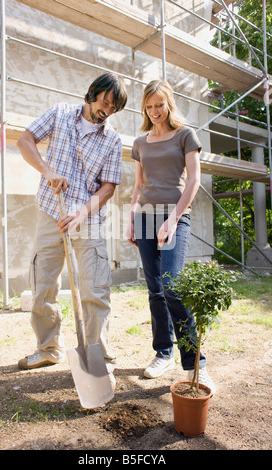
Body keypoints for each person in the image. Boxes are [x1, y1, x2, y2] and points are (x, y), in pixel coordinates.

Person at [17, 72, 127, 390]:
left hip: (87, 221)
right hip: (52, 214)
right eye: (104, 101)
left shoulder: (112, 140)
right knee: (41, 286)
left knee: (95, 291)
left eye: (113, 106)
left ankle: (99, 361)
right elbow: (25, 141)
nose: (106, 109)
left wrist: (81, 212)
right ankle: (48, 349)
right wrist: (49, 172)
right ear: (91, 93)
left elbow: (108, 188)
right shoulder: (60, 114)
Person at [126, 79, 216, 393]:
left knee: (172, 285)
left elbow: (194, 180)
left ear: (169, 103)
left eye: (159, 105)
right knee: (154, 290)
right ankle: (162, 352)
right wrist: (131, 219)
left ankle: (195, 364)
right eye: (149, 107)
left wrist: (174, 218)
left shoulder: (185, 135)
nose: (154, 112)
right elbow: (139, 185)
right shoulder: (140, 142)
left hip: (175, 216)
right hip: (145, 217)